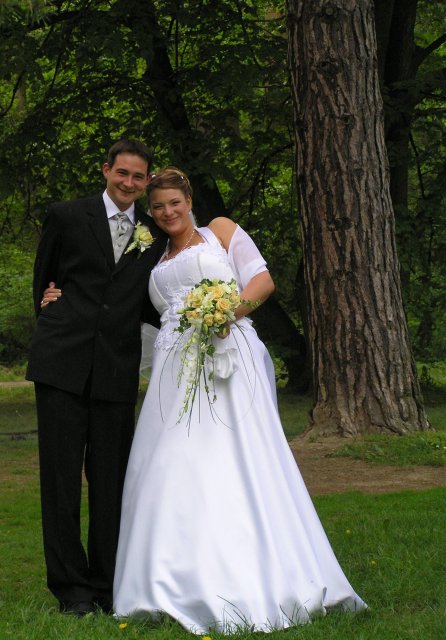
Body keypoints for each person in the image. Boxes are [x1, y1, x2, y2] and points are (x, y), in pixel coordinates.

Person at [112, 167, 367, 633]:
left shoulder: (220, 231)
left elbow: (261, 282)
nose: (167, 212)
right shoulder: (154, 255)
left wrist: (226, 313)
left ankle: (251, 575)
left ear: (189, 201)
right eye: (158, 206)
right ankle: (165, 581)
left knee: (234, 460)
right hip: (174, 369)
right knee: (168, 464)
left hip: (227, 357)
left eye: (175, 203)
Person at [26, 139, 167, 617]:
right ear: (106, 170)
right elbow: (43, 279)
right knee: (61, 482)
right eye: (121, 172)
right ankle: (72, 590)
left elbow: (150, 299)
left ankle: (106, 585)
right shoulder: (67, 216)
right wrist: (50, 307)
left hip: (116, 368)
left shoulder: (153, 233)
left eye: (138, 176)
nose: (129, 182)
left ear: (146, 181)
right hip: (61, 365)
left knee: (111, 484)